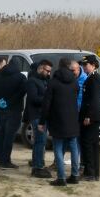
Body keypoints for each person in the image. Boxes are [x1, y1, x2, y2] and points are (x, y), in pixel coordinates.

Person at [40, 58, 80, 186]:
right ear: (69, 67)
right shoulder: (75, 82)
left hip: (57, 119)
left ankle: (61, 178)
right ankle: (75, 175)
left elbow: (46, 104)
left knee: (58, 147)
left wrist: (42, 121)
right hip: (73, 119)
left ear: (59, 66)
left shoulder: (53, 83)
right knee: (74, 147)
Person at [0, 58, 27, 170]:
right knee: (9, 136)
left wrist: (1, 101)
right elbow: (22, 92)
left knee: (1, 134)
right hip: (15, 110)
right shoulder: (21, 77)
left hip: (1, 109)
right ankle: (5, 160)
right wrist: (10, 102)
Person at [79, 55, 100, 181]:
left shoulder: (94, 78)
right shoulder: (91, 78)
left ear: (93, 65)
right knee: (92, 143)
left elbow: (94, 99)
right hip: (93, 114)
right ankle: (93, 172)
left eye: (86, 65)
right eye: (83, 65)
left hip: (93, 115)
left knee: (89, 143)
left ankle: (91, 172)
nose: (84, 67)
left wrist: (89, 115)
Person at [25, 59, 52, 178]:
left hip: (44, 114)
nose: (49, 73)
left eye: (50, 71)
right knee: (40, 141)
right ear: (41, 69)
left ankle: (37, 164)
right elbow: (33, 98)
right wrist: (48, 100)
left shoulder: (45, 81)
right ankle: (38, 167)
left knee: (40, 142)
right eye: (47, 71)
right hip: (36, 115)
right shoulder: (32, 81)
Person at [70, 60, 86, 176]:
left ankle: (81, 165)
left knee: (79, 141)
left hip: (80, 114)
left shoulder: (84, 80)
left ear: (78, 68)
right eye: (70, 70)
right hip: (71, 114)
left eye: (73, 70)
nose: (72, 73)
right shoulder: (70, 79)